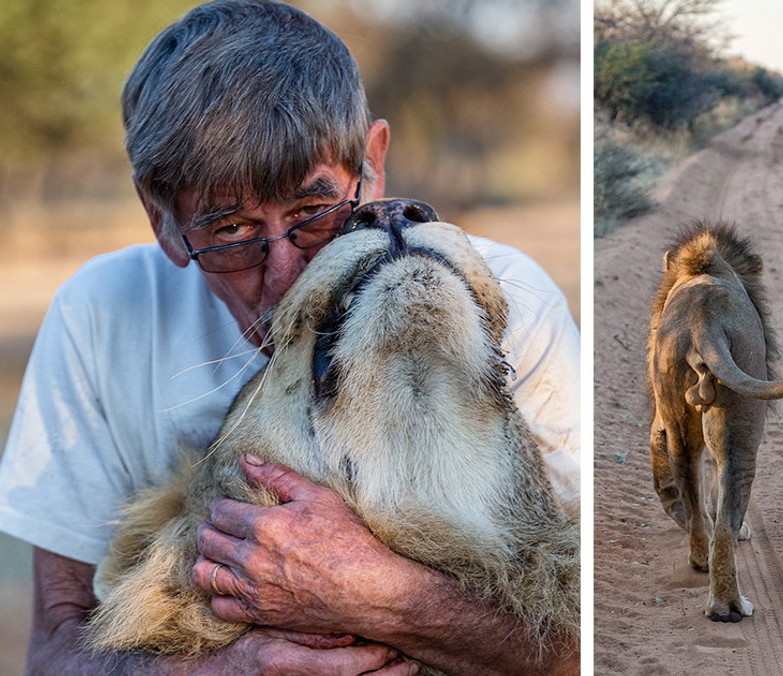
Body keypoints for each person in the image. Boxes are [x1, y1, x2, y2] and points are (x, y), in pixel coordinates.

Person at [0, 1, 580, 674]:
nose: (286, 275)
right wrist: (223, 668)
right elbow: (53, 650)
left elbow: (583, 649)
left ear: (373, 165)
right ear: (159, 219)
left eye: (313, 212)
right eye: (232, 230)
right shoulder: (102, 312)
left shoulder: (503, 295)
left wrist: (382, 597)